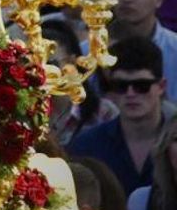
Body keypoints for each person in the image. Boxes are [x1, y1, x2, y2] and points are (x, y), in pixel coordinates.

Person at [72, 36, 170, 196]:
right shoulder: (85, 146)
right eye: (121, 86)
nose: (130, 94)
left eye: (141, 86)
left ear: (161, 87)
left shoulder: (173, 142)